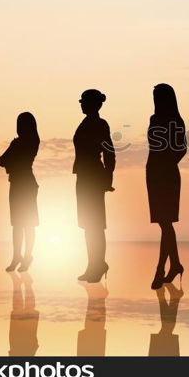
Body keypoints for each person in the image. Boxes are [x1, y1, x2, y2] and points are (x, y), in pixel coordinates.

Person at [146, 84, 187, 289]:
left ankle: (161, 268)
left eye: (158, 97)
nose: (155, 100)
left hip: (167, 174)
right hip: (153, 173)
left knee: (166, 223)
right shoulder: (154, 119)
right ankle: (175, 265)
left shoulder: (176, 121)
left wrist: (168, 163)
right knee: (163, 223)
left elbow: (182, 148)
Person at [73, 89, 115, 283]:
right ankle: (93, 265)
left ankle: (98, 264)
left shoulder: (100, 124)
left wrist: (108, 178)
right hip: (83, 177)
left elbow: (109, 152)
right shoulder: (85, 123)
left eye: (84, 101)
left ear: (92, 104)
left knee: (95, 225)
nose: (81, 104)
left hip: (94, 177)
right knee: (88, 225)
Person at [0, 112, 40, 272]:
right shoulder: (21, 143)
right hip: (18, 183)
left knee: (27, 223)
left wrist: (11, 160)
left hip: (25, 184)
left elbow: (4, 160)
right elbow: (1, 160)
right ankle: (17, 256)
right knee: (18, 223)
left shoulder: (25, 143)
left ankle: (27, 256)